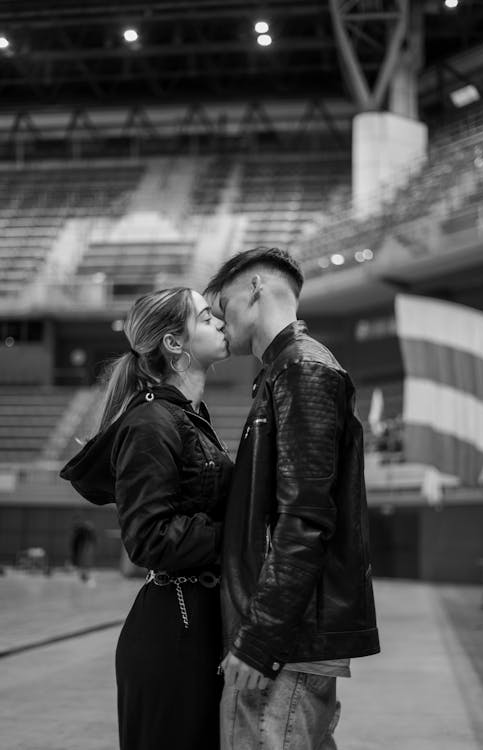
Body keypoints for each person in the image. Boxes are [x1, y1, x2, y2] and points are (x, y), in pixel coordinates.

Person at [204, 247, 380, 750]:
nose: (220, 322)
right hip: (287, 635)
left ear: (256, 288)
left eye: (223, 306)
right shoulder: (284, 370)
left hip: (286, 642)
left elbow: (304, 521)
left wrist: (260, 640)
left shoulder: (304, 369)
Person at [59, 287, 232, 750]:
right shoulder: (151, 422)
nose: (218, 322)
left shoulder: (189, 416)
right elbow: (149, 539)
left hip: (198, 622)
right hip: (174, 633)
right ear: (174, 343)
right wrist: (241, 534)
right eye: (204, 317)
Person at [70, 515, 97, 584]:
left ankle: (84, 575)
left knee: (85, 562)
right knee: (82, 562)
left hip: (84, 548)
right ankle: (83, 575)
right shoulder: (81, 531)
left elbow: (92, 540)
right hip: (81, 548)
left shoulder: (84, 532)